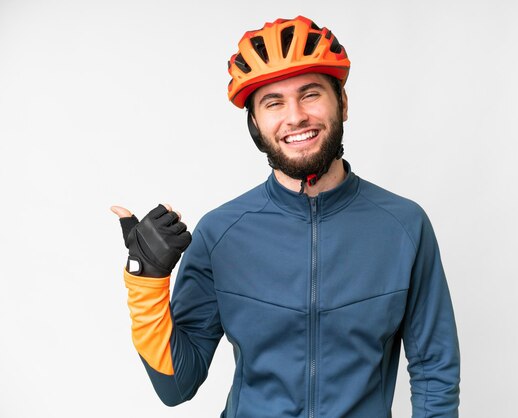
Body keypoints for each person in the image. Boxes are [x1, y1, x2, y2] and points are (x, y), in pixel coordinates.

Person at [112, 16, 460, 418]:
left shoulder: (404, 227)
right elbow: (177, 385)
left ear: (342, 103)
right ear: (256, 126)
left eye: (310, 94)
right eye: (273, 102)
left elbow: (434, 370)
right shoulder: (220, 233)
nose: (295, 117)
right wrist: (146, 279)